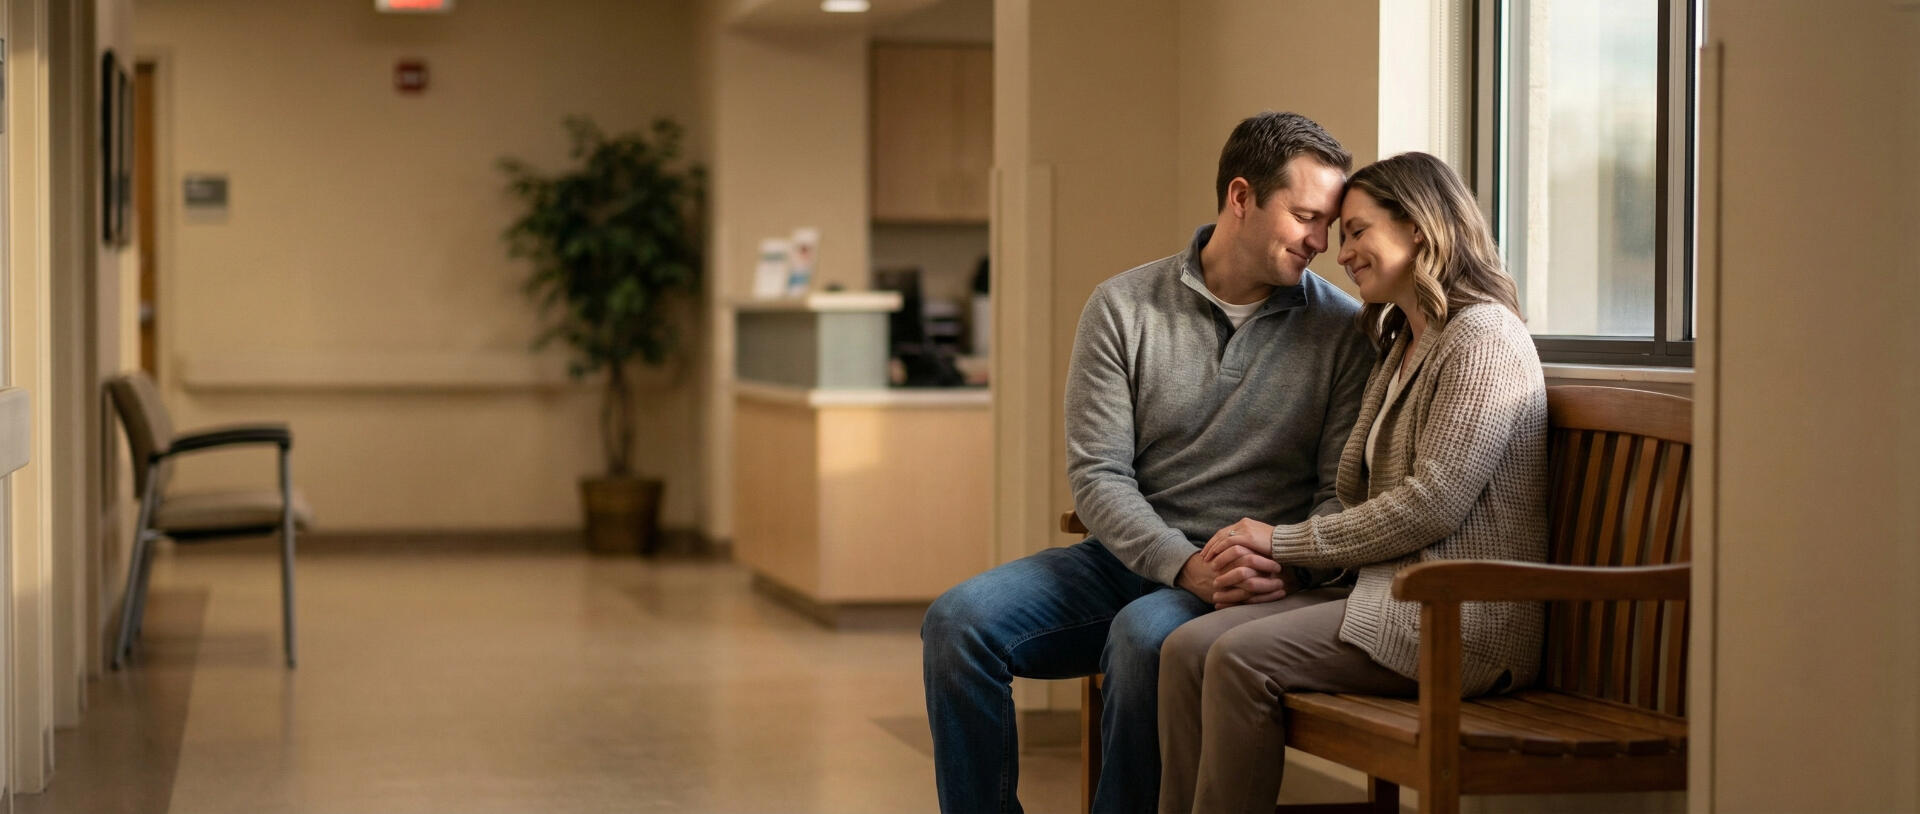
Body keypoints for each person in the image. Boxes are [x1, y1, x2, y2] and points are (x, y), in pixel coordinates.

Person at [920, 112, 1377, 814]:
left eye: (1330, 223)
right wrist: (1177, 561)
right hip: (1124, 559)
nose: (1321, 243)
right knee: (958, 624)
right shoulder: (1123, 306)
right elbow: (1098, 474)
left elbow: (1335, 495)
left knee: (1143, 639)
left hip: (1245, 578)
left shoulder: (1343, 330)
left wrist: (1271, 562)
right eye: (1306, 217)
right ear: (1241, 197)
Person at [1154, 151, 1549, 814]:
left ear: (1419, 227)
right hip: (1387, 596)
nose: (1342, 254)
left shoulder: (1483, 339)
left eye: (1358, 231)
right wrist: (1290, 561)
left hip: (1460, 618)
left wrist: (1281, 545)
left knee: (1238, 659)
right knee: (1187, 645)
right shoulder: (1403, 341)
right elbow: (1360, 493)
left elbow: (1430, 506)